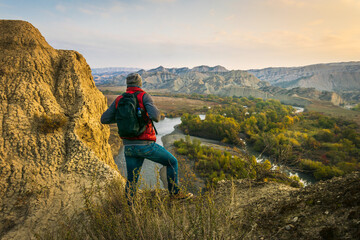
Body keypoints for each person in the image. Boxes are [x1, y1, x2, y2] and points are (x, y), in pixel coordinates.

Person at [101, 73, 193, 200]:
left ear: (127, 84)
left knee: (132, 180)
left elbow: (104, 119)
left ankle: (130, 209)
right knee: (172, 162)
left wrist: (124, 119)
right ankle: (175, 195)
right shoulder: (143, 96)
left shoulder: (119, 99)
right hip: (145, 145)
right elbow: (156, 117)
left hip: (128, 146)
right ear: (140, 83)